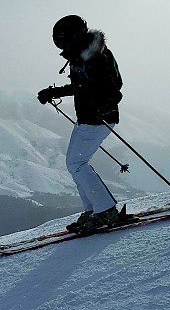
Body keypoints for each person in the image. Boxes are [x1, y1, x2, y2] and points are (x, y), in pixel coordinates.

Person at [37, 15, 130, 232]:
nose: (60, 46)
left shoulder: (95, 58)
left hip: (98, 119)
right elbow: (82, 86)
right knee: (75, 164)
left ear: (73, 37)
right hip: (90, 118)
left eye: (62, 41)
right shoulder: (83, 55)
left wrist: (104, 106)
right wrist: (54, 92)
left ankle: (105, 211)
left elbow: (115, 89)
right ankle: (94, 210)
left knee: (76, 164)